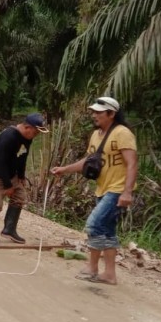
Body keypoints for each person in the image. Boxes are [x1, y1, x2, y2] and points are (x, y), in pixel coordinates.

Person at [51, 97, 138, 285]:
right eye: (94, 112)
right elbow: (89, 160)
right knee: (107, 231)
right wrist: (64, 169)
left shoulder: (123, 133)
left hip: (117, 189)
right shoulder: (96, 135)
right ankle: (109, 274)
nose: (94, 115)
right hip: (102, 188)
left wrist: (127, 192)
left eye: (99, 112)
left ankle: (92, 267)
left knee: (93, 225)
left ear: (111, 114)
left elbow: (132, 163)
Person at [0, 113, 49, 245]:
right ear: (27, 127)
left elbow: (22, 156)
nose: (36, 135)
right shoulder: (9, 137)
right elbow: (0, 162)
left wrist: (21, 176)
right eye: (36, 132)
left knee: (19, 196)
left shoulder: (27, 138)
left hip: (10, 174)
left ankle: (9, 229)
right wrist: (7, 185)